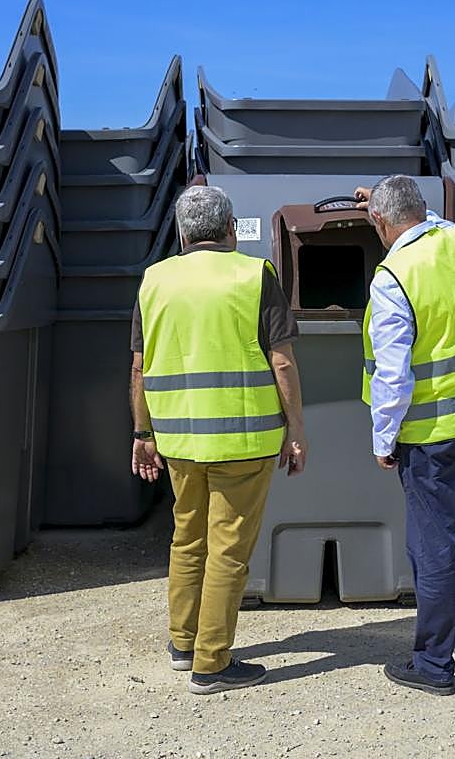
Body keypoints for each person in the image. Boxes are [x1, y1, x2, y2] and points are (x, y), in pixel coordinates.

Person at [129, 184, 308, 696]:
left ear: (183, 235)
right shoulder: (255, 274)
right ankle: (212, 664)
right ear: (231, 229)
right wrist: (296, 429)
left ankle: (182, 645)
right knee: (228, 550)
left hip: (179, 440)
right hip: (244, 440)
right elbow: (281, 360)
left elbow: (140, 365)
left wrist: (143, 433)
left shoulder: (154, 280)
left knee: (187, 539)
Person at [357, 175, 455, 696]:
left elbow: (393, 372)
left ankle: (431, 666)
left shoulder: (392, 276)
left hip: (432, 439)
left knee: (436, 549)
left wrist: (384, 439)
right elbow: (439, 226)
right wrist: (388, 205)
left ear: (379, 223)